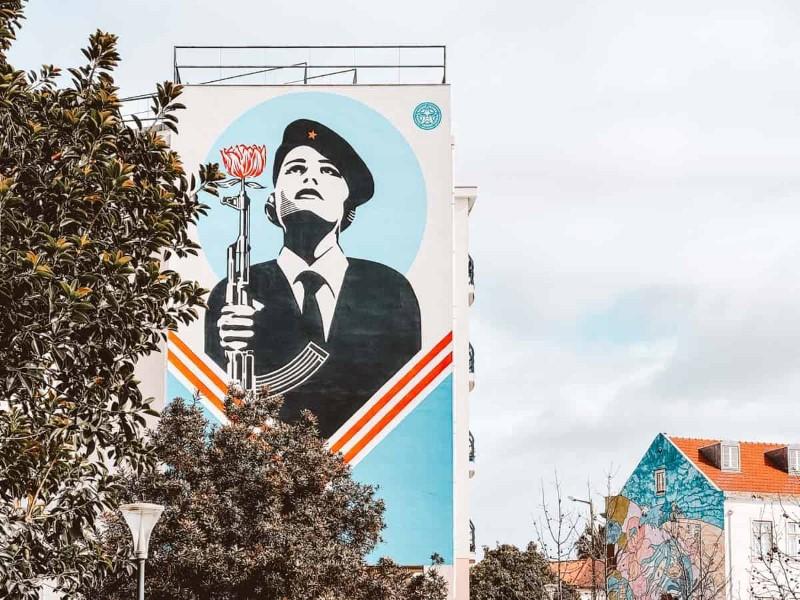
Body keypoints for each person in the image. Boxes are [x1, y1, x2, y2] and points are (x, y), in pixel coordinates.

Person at [205, 119, 421, 438]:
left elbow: (406, 391)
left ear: (348, 204)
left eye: (329, 171)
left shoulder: (389, 289)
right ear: (272, 200)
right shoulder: (233, 291)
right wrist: (227, 348)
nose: (310, 177)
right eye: (295, 169)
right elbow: (213, 400)